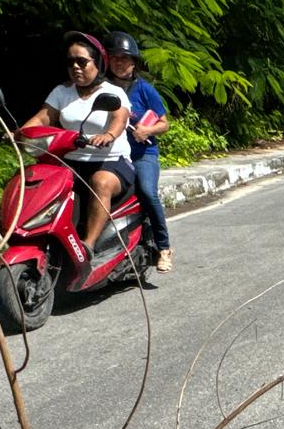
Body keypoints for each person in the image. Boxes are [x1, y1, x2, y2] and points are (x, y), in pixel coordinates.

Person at [18, 31, 132, 262]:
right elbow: (42, 118)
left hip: (110, 161)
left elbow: (120, 119)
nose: (76, 67)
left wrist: (108, 135)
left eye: (82, 61)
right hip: (70, 159)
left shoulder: (113, 92)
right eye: (71, 62)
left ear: (98, 63)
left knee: (100, 182)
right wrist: (20, 134)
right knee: (39, 181)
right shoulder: (62, 92)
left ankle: (88, 245)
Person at [104, 31, 173, 273]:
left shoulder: (145, 90)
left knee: (147, 191)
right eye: (114, 58)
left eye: (124, 58)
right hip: (112, 154)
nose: (119, 63)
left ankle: (164, 247)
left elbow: (164, 124)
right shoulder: (102, 88)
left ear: (134, 62)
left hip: (143, 154)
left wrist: (147, 130)